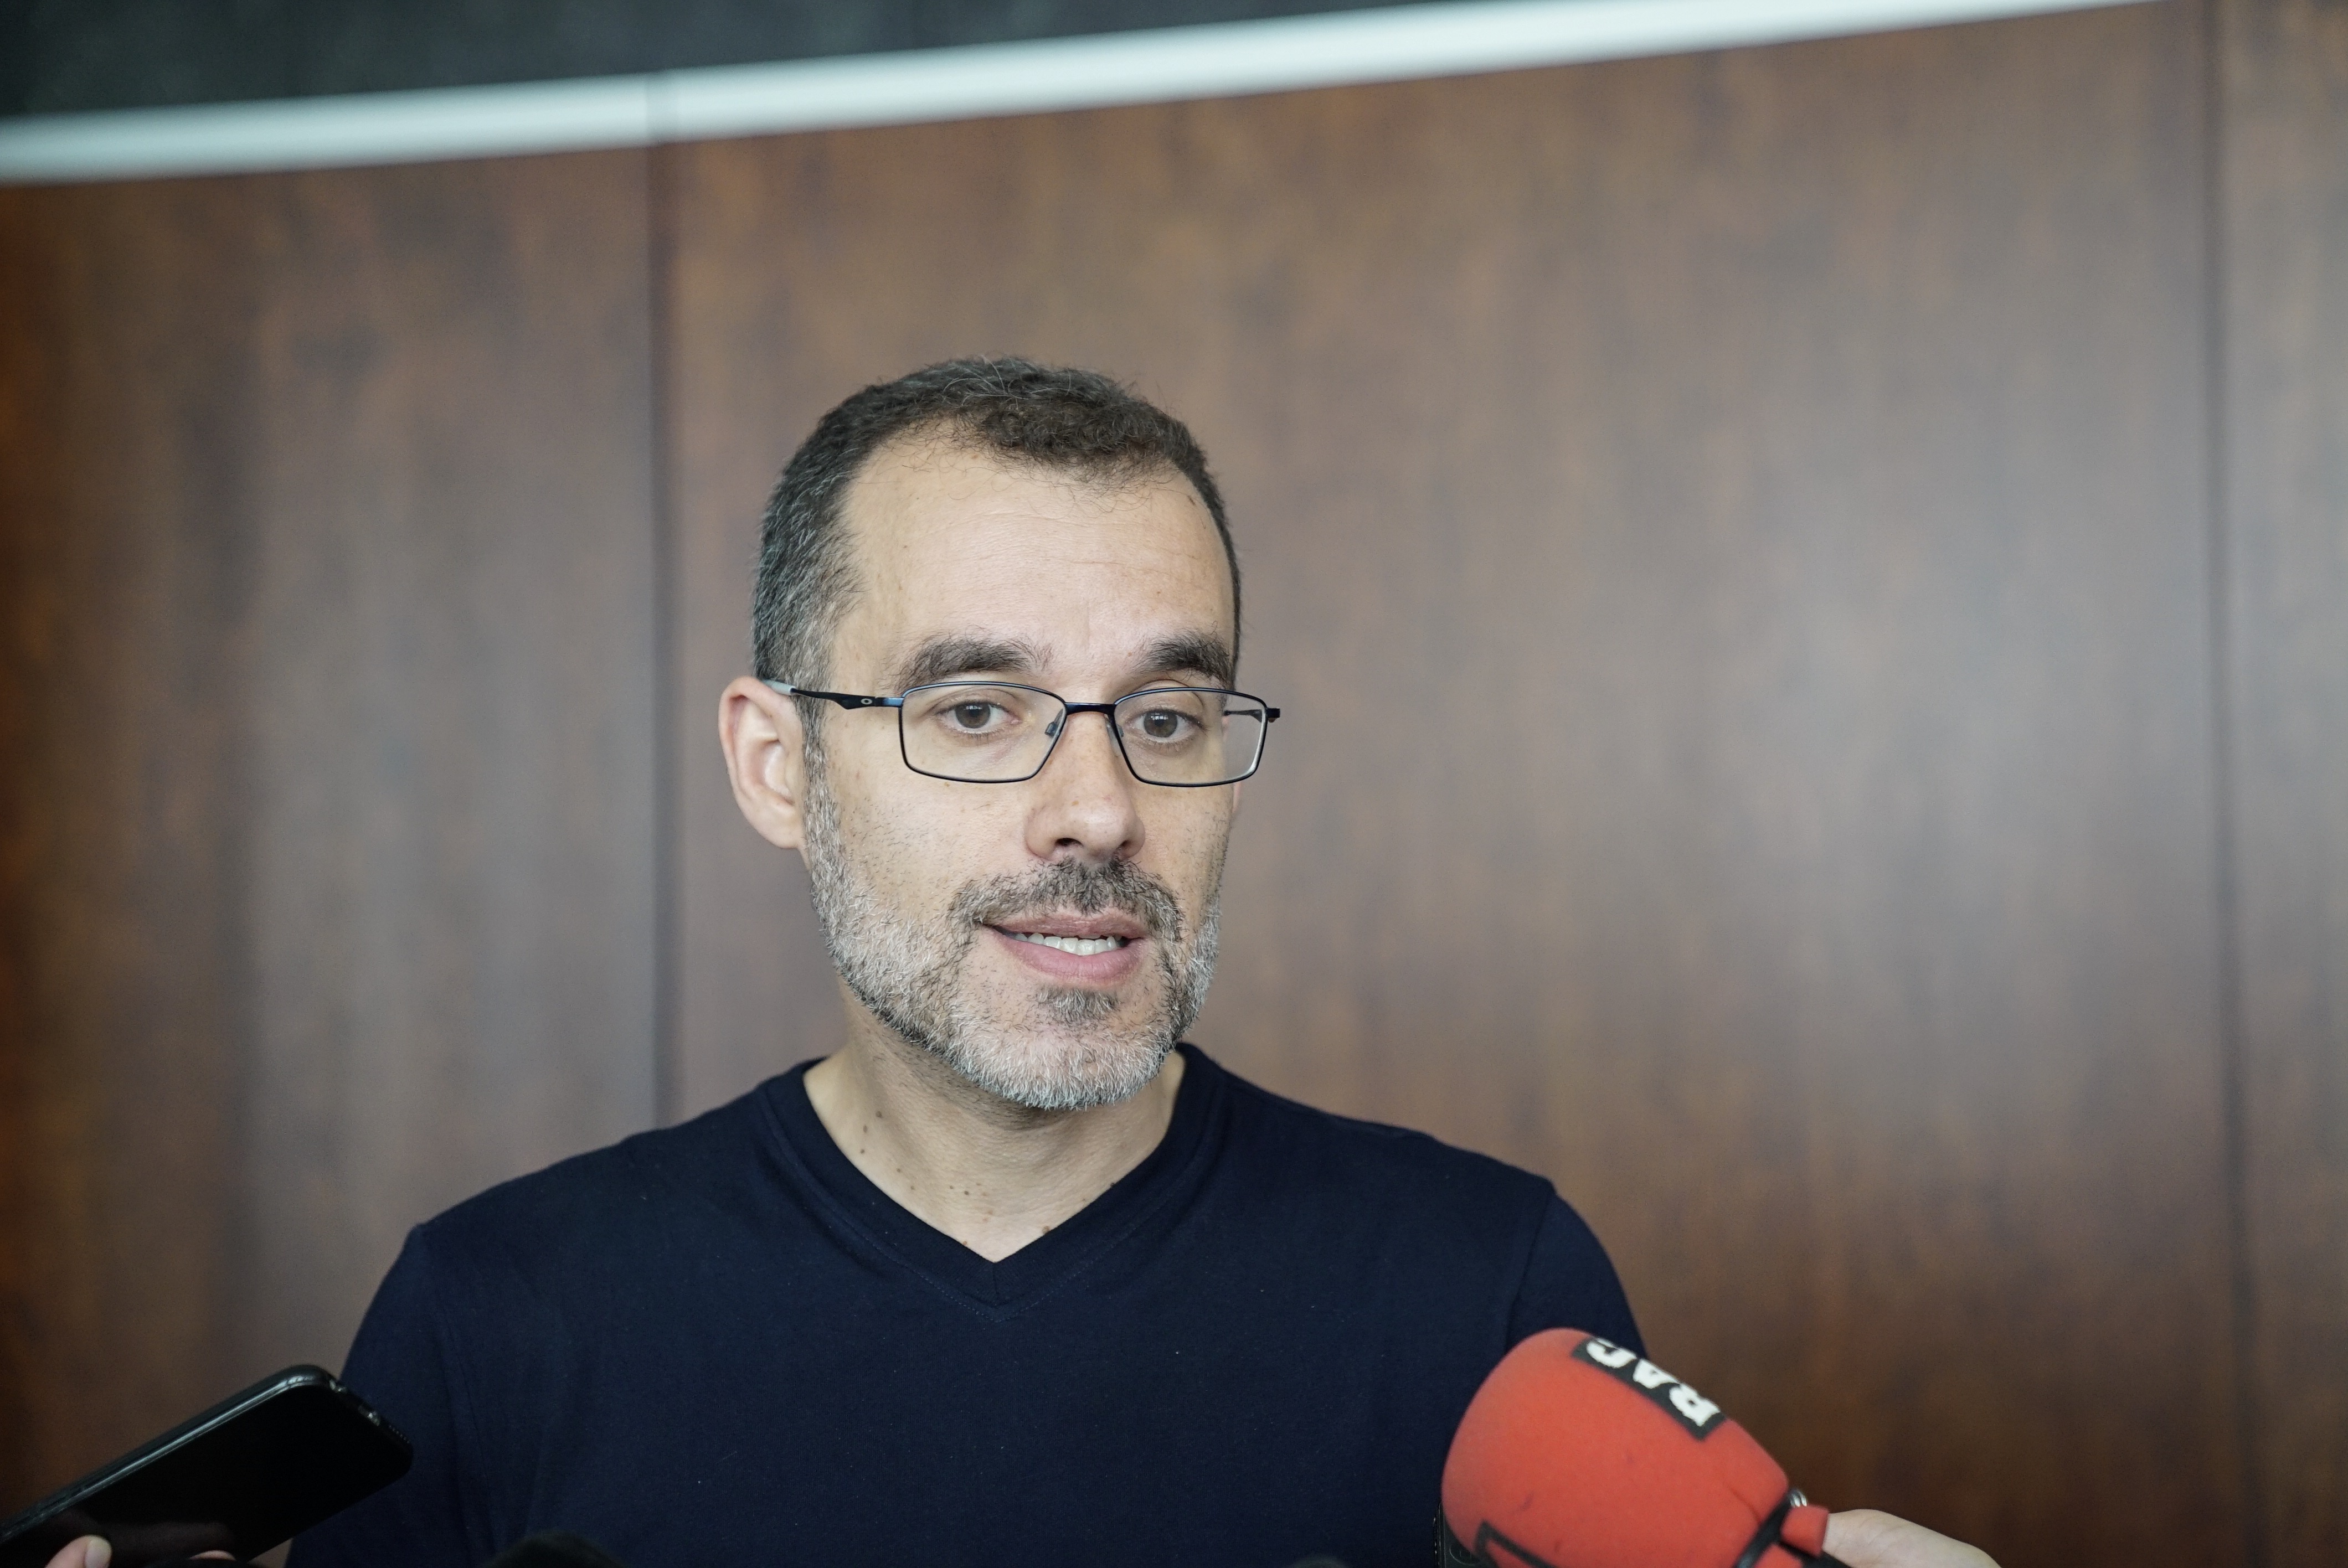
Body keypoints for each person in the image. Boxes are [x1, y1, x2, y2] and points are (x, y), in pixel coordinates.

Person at [49, 359, 1992, 1568]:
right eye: (975, 712)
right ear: (778, 766)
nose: (1099, 811)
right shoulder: (500, 1314)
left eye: (1170, 714)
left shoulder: (1489, 1287)